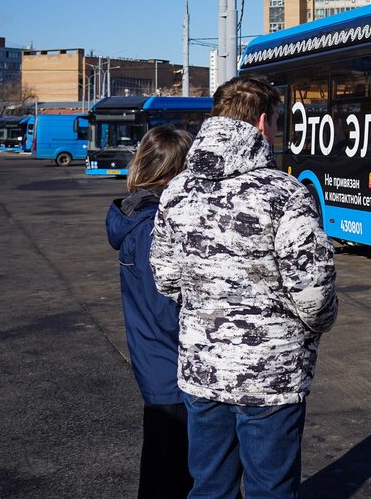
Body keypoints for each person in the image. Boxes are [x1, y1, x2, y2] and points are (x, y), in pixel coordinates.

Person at [150, 75, 337, 499]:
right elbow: (312, 291)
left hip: (203, 367)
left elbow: (165, 276)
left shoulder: (176, 191)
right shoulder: (285, 193)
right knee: (271, 488)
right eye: (276, 122)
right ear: (261, 123)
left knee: (209, 485)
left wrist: (205, 305)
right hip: (271, 374)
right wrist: (315, 325)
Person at [105, 125, 195, 499]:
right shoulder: (154, 228)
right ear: (173, 174)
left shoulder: (135, 218)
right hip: (172, 371)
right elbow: (166, 310)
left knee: (170, 471)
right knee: (173, 475)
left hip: (155, 364)